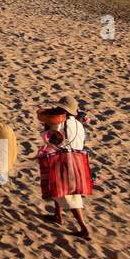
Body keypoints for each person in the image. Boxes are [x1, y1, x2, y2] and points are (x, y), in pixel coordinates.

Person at [39, 96, 92, 239]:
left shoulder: (59, 125)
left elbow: (51, 140)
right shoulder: (78, 125)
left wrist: (46, 128)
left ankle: (83, 227)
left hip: (63, 159)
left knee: (70, 196)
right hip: (77, 158)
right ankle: (58, 215)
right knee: (58, 188)